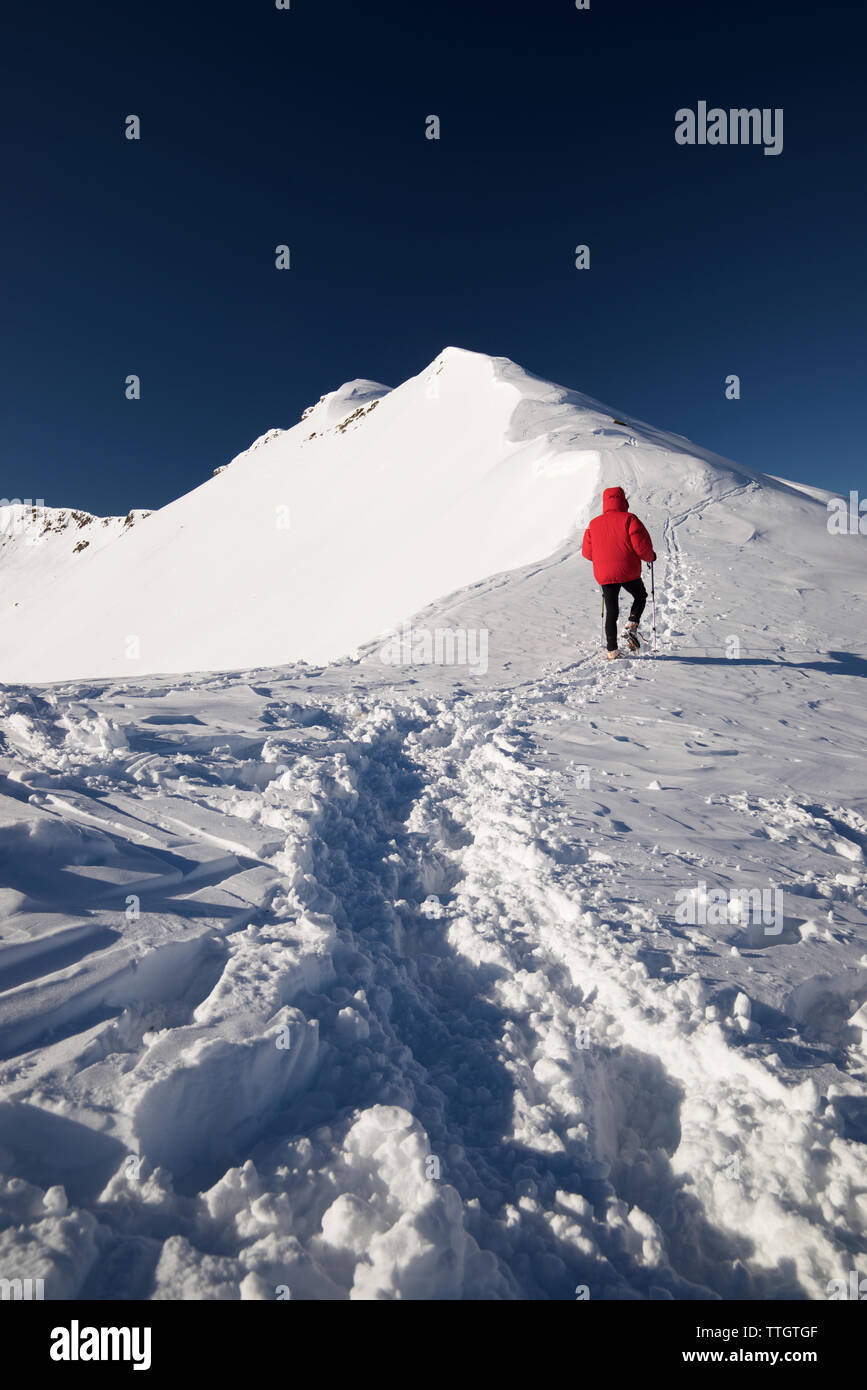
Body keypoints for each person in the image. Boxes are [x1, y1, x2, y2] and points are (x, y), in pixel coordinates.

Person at [581, 486, 656, 660]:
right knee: (640, 595)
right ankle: (632, 623)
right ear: (623, 500)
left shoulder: (593, 523)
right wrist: (650, 557)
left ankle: (612, 651)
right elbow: (641, 545)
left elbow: (586, 552)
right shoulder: (629, 519)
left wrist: (602, 560)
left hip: (604, 574)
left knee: (611, 611)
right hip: (627, 569)